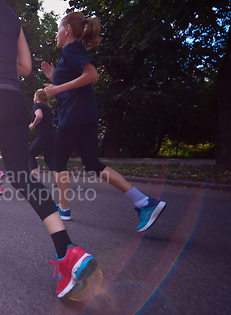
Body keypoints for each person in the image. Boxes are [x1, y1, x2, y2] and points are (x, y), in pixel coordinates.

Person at [0, 0, 96, 298]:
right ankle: (67, 249)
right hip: (12, 100)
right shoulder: (13, 16)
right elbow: (26, 68)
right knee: (21, 176)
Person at [42, 12, 166, 227]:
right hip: (85, 114)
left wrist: (57, 88)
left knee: (57, 160)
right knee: (92, 163)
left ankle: (63, 208)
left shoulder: (72, 48)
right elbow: (75, 81)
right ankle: (144, 202)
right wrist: (54, 77)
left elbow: (92, 75)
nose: (56, 35)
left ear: (68, 29)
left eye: (58, 30)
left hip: (74, 115)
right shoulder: (69, 54)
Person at [29, 89, 55, 181]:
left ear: (38, 97)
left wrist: (33, 125)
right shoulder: (47, 108)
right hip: (52, 135)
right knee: (49, 159)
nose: (33, 98)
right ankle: (60, 181)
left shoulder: (37, 105)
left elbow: (39, 116)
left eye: (34, 95)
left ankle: (35, 179)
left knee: (30, 154)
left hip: (43, 135)